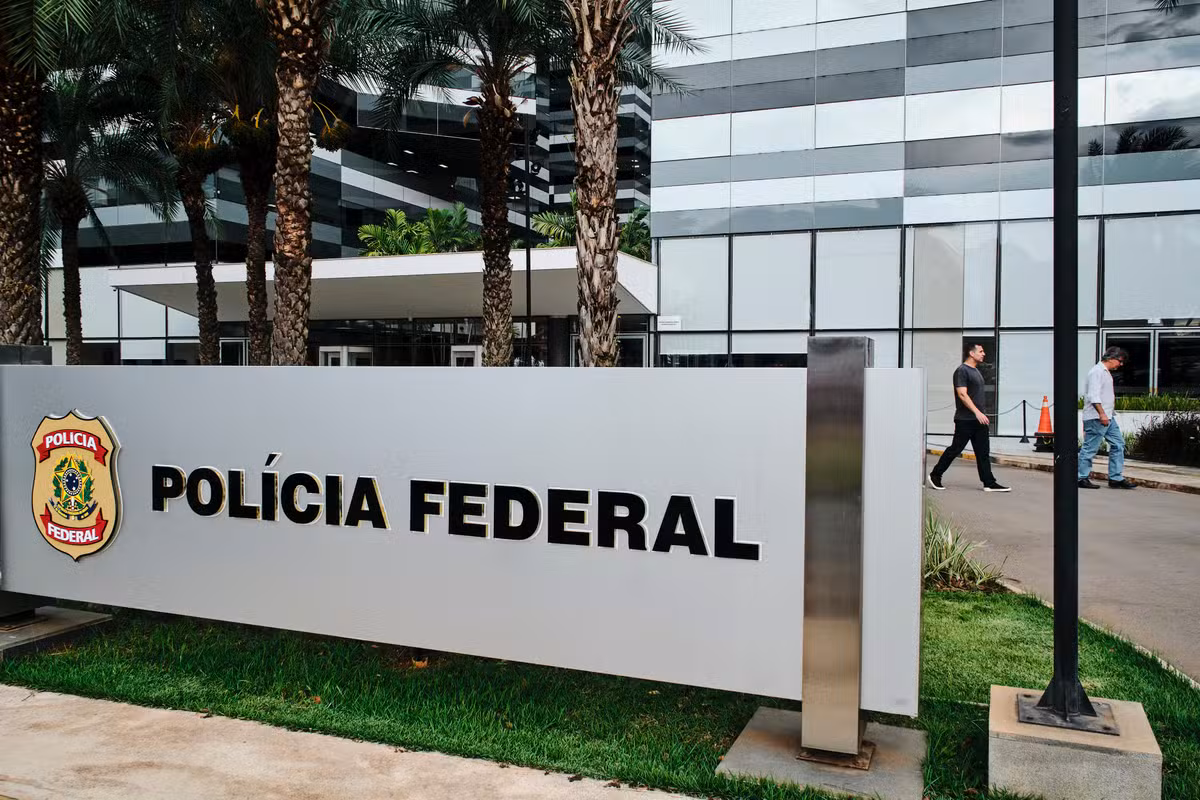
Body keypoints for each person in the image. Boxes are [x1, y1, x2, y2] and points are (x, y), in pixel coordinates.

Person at [927, 343, 1011, 492]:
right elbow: (962, 394)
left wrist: (981, 414)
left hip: (979, 420)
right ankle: (935, 475)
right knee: (955, 449)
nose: (983, 353)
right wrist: (977, 412)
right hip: (965, 420)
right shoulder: (962, 371)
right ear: (971, 353)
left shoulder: (976, 371)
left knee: (983, 452)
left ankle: (989, 482)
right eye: (981, 351)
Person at [1079, 347, 1137, 490]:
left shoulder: (1105, 372)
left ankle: (1116, 478)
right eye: (1120, 361)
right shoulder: (1097, 372)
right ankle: (1081, 477)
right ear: (1111, 358)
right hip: (1097, 417)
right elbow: (1093, 395)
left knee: (1118, 444)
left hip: (1108, 416)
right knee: (1090, 448)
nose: (1120, 364)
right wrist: (1102, 414)